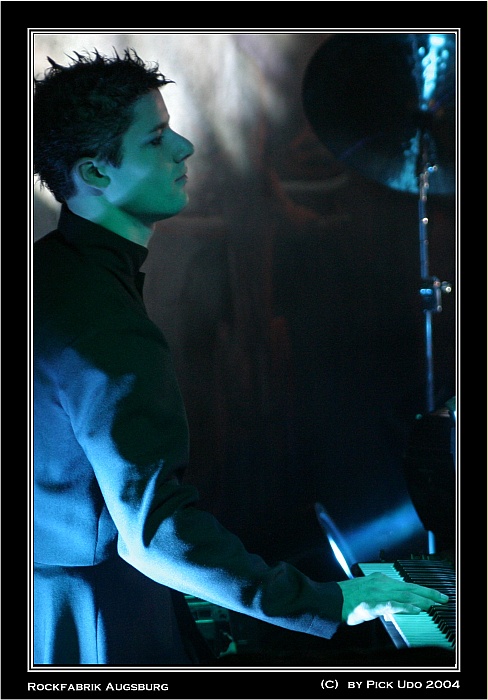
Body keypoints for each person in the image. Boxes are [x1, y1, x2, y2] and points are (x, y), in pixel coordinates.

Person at [32, 48, 449, 666]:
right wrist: (330, 602)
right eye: (156, 139)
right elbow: (154, 536)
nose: (184, 149)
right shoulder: (102, 321)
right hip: (98, 622)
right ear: (95, 173)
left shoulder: (51, 273)